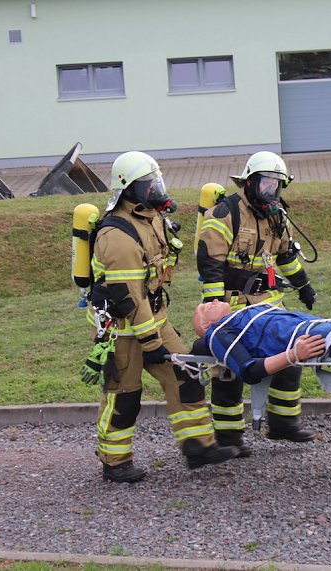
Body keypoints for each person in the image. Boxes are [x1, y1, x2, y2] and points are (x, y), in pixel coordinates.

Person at [88, 151, 237, 483]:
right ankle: (114, 461)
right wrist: (151, 342)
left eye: (157, 181)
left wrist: (156, 334)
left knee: (187, 373)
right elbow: (128, 297)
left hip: (154, 319)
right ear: (129, 190)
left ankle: (199, 446)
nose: (156, 189)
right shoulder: (116, 235)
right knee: (124, 395)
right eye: (148, 184)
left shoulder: (151, 218)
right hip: (122, 331)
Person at [196, 151, 318, 455]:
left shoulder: (277, 215)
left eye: (277, 186)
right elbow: (209, 263)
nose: (270, 191)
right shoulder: (224, 214)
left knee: (291, 353)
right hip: (232, 306)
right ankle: (228, 438)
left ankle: (282, 424)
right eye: (265, 184)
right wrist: (214, 308)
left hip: (268, 304)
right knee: (228, 369)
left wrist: (305, 288)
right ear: (249, 182)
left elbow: (285, 257)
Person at [190, 300, 331, 384]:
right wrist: (294, 355)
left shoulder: (247, 315)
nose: (215, 300)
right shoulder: (219, 333)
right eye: (205, 308)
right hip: (324, 338)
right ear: (205, 326)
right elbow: (249, 371)